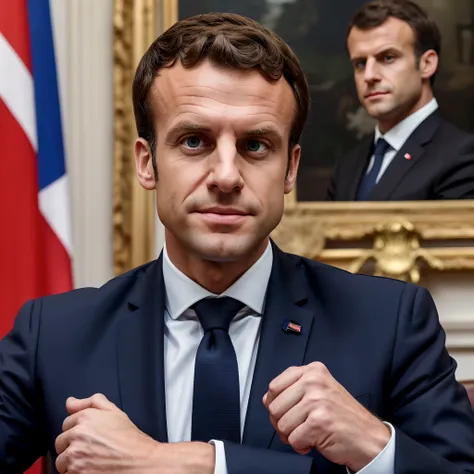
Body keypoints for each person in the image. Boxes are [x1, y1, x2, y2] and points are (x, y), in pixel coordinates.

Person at [1, 12, 473, 474]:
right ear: (147, 163)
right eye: (193, 141)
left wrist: (375, 447)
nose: (226, 176)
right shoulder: (54, 336)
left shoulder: (390, 323)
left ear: (289, 169)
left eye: (255, 146)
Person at [326, 0, 474, 201]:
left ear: (426, 64)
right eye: (360, 63)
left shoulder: (464, 155)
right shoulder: (347, 166)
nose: (369, 76)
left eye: (388, 57)